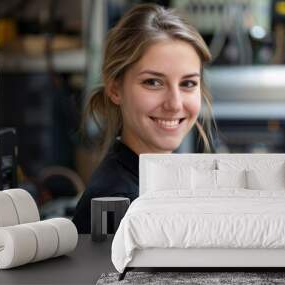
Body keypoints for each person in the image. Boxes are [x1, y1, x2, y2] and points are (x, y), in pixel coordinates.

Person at [72, 3, 216, 233]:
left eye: (188, 83)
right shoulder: (121, 202)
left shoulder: (155, 182)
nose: (175, 104)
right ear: (115, 89)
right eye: (153, 82)